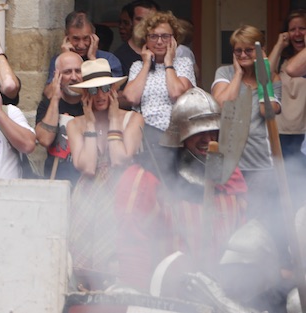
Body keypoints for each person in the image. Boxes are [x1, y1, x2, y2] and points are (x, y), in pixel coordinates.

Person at [113, 88, 247, 291]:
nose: (209, 139)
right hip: (166, 294)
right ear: (180, 135)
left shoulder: (230, 176)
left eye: (214, 132)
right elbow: (133, 246)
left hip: (221, 290)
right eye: (199, 132)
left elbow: (241, 236)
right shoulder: (146, 178)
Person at [64, 59, 144, 286]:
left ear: (114, 90)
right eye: (92, 90)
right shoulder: (75, 124)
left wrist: (112, 119)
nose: (100, 95)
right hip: (88, 198)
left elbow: (119, 158)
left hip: (121, 194)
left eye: (106, 88)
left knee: (117, 261)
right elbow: (88, 167)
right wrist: (89, 123)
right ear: (84, 95)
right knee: (84, 267)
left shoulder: (133, 118)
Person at [211, 25, 281, 191]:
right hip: (228, 159)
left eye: (249, 50)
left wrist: (262, 73)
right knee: (231, 212)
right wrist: (238, 75)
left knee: (260, 214)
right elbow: (221, 106)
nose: (243, 55)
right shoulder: (225, 73)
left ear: (260, 50)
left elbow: (267, 111)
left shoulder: (272, 78)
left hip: (260, 159)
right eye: (238, 51)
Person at [123, 10, 195, 160]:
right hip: (144, 141)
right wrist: (146, 65)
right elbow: (131, 98)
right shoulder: (137, 67)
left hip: (176, 140)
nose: (160, 41)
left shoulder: (183, 64)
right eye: (153, 36)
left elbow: (176, 93)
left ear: (174, 40)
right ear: (145, 40)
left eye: (165, 36)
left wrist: (169, 63)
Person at [43, 11, 123, 99]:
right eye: (76, 39)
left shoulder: (109, 59)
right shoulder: (58, 60)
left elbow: (110, 93)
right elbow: (49, 94)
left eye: (86, 38)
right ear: (66, 36)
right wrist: (66, 58)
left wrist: (92, 59)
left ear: (94, 36)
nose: (81, 45)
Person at [35, 51, 85, 182]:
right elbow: (44, 140)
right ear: (57, 76)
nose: (74, 77)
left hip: (87, 184)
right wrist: (55, 99)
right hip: (57, 181)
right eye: (68, 72)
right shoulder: (47, 105)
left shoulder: (94, 103)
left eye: (78, 71)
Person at [268, 9, 306, 172]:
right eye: (292, 29)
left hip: (303, 132)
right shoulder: (283, 59)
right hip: (281, 129)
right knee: (283, 178)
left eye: (302, 28)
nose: (297, 33)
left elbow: (293, 69)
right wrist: (279, 45)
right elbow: (265, 76)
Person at [113, 0, 160, 83]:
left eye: (151, 20)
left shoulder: (165, 51)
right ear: (131, 22)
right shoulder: (119, 57)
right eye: (140, 19)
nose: (145, 24)